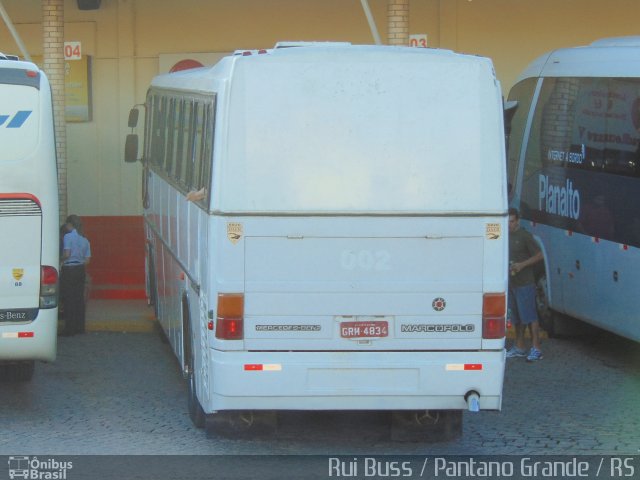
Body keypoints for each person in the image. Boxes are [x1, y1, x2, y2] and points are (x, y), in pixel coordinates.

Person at [507, 207, 544, 362]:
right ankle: (520, 346)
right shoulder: (502, 236)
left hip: (525, 282)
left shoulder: (524, 236)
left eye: (512, 221)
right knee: (517, 317)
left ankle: (536, 348)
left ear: (518, 221)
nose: (509, 224)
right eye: (507, 221)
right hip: (512, 283)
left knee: (530, 316)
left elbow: (540, 255)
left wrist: (522, 265)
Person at [60, 215, 91, 336]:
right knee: (79, 299)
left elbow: (67, 254)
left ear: (69, 224)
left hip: (69, 269)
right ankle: (80, 327)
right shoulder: (85, 239)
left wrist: (60, 258)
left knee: (69, 299)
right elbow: (87, 260)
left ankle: (70, 329)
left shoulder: (68, 236)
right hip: (80, 269)